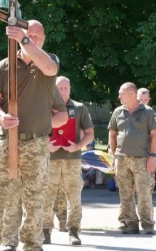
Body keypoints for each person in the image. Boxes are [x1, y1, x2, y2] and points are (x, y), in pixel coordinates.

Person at [0, 19, 68, 251]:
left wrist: (25, 40)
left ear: (43, 39)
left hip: (36, 144)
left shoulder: (47, 65)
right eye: (31, 35)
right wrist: (1, 117)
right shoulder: (4, 66)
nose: (35, 39)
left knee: (35, 200)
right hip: (7, 141)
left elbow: (50, 69)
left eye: (39, 37)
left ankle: (31, 246)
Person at [43, 75, 94, 246]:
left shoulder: (79, 108)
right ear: (54, 89)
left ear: (70, 89)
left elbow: (90, 134)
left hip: (72, 160)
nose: (63, 90)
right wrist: (46, 146)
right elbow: (37, 132)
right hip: (50, 159)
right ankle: (45, 231)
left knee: (74, 197)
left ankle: (73, 231)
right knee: (46, 197)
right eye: (60, 87)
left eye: (66, 87)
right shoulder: (45, 107)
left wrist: (77, 146)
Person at [108, 82, 156, 235]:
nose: (119, 96)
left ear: (131, 93)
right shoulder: (118, 112)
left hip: (142, 159)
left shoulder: (148, 112)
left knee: (144, 192)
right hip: (122, 158)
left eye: (121, 93)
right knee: (125, 193)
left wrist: (153, 157)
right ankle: (131, 224)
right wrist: (113, 155)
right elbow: (112, 134)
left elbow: (155, 135)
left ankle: (148, 224)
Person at [137, 88, 156, 192]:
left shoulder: (151, 114)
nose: (143, 102)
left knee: (146, 190)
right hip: (131, 156)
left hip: (147, 157)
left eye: (145, 100)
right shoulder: (129, 112)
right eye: (140, 100)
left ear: (149, 100)